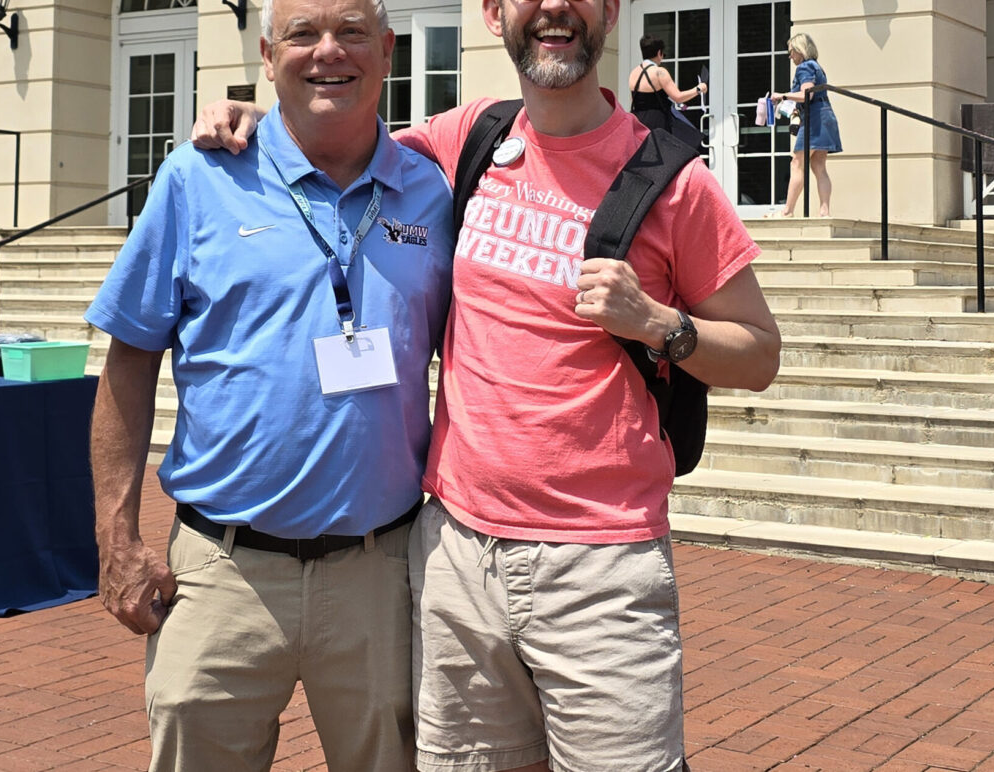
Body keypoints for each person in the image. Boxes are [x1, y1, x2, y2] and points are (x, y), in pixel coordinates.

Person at [193, 0, 781, 768]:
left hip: (600, 565)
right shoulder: (466, 138)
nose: (553, 11)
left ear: (608, 12)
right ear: (495, 13)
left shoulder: (673, 182)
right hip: (456, 556)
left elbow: (759, 354)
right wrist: (255, 114)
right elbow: (339, 140)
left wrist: (658, 322)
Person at [84, 0, 454, 768]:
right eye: (303, 35)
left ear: (387, 51)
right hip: (220, 573)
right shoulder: (198, 176)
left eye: (352, 33)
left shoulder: (431, 192)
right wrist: (116, 538)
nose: (329, 52)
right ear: (265, 53)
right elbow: (128, 357)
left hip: (377, 573)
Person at [769, 31, 842, 217]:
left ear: (800, 50)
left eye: (792, 51)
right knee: (818, 165)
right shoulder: (817, 67)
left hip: (814, 119)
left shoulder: (804, 68)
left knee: (797, 163)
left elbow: (806, 95)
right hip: (825, 116)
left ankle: (787, 211)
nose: (790, 55)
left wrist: (783, 95)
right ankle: (824, 211)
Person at [628, 33, 707, 149]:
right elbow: (678, 97)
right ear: (659, 53)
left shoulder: (633, 73)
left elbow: (635, 100)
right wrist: (699, 89)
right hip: (658, 122)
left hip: (638, 123)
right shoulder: (659, 72)